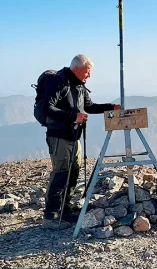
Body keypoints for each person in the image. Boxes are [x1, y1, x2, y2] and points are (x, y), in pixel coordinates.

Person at [42, 54, 120, 229]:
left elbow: (90, 107)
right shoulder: (60, 82)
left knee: (73, 171)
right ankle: (50, 216)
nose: (89, 76)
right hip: (59, 135)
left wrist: (110, 107)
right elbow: (47, 108)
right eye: (87, 71)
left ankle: (66, 209)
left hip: (73, 135)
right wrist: (73, 116)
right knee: (61, 172)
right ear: (76, 69)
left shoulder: (79, 86)